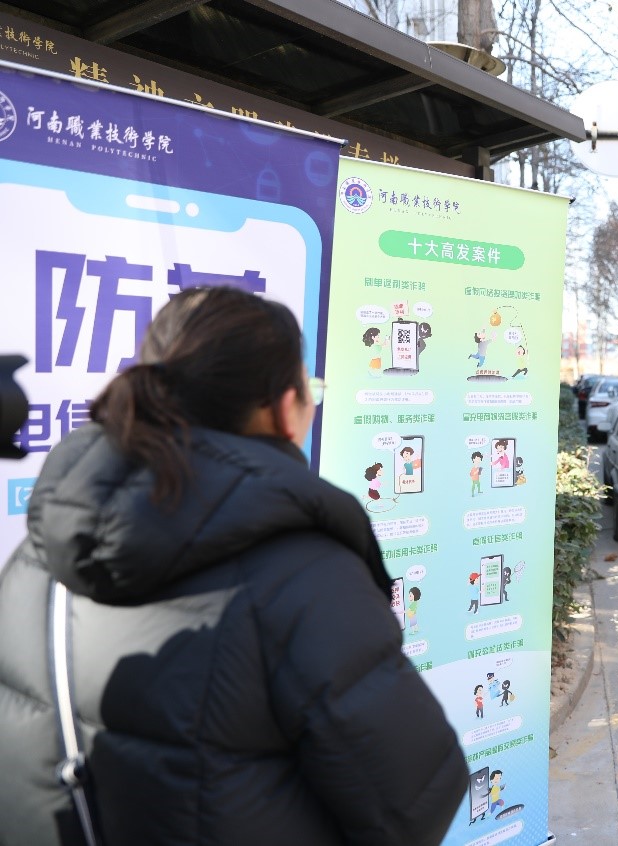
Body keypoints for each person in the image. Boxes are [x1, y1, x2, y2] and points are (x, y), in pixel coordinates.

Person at [0, 286, 467, 846]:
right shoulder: (304, 577)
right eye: (311, 389)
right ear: (282, 406)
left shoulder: (35, 556)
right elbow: (414, 802)